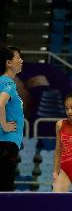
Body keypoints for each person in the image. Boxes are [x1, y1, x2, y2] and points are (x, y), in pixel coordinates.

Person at [0, 46, 24, 192]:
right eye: (18, 58)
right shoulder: (8, 83)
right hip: (6, 144)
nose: (21, 61)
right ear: (9, 63)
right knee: (5, 189)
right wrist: (4, 125)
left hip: (4, 144)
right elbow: (0, 103)